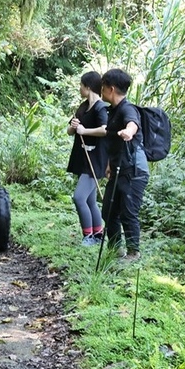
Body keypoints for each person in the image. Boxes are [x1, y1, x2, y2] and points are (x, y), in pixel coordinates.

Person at [75, 68, 148, 261]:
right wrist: (108, 164)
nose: (101, 90)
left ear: (111, 89)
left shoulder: (127, 109)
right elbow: (110, 140)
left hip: (133, 170)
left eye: (103, 87)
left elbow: (132, 123)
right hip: (118, 168)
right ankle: (115, 248)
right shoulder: (113, 111)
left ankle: (133, 253)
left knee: (128, 211)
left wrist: (129, 132)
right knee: (108, 210)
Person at [65, 72, 109, 246]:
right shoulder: (83, 107)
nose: (80, 88)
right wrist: (74, 127)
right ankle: (98, 234)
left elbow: (105, 129)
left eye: (81, 85)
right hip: (82, 158)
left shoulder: (101, 108)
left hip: (95, 159)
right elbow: (70, 130)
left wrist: (84, 131)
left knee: (79, 197)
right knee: (90, 200)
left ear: (88, 87)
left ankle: (88, 236)